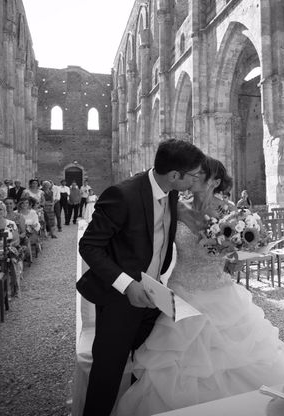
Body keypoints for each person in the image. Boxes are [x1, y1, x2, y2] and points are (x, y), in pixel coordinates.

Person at [114, 156, 284, 416]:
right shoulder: (177, 207)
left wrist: (235, 259)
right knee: (177, 360)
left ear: (215, 181)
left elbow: (237, 252)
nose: (192, 177)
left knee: (237, 358)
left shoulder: (231, 212)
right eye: (191, 172)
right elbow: (156, 241)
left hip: (219, 291)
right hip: (182, 289)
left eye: (200, 174)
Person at [76, 138, 206, 416]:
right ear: (174, 175)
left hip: (153, 294)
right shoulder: (123, 195)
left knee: (148, 364)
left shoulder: (171, 192)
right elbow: (89, 245)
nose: (195, 181)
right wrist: (126, 285)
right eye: (193, 175)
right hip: (119, 300)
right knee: (107, 372)